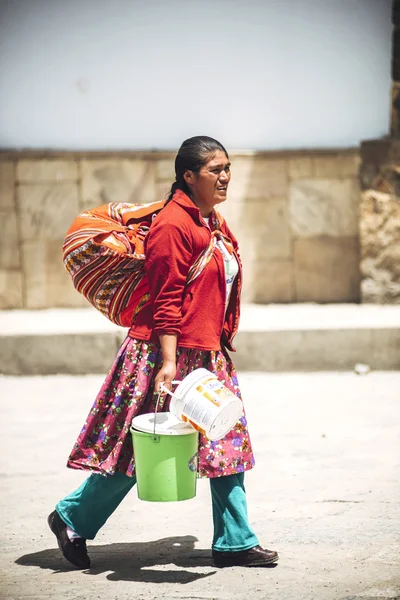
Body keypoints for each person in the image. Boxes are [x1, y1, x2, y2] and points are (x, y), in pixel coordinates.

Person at [48, 135, 279, 570]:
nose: (225, 176)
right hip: (161, 355)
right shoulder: (173, 225)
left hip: (207, 355)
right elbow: (165, 300)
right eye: (216, 169)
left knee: (225, 440)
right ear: (189, 176)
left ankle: (235, 541)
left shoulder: (211, 221)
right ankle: (71, 516)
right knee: (135, 451)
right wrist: (170, 362)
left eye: (228, 167)